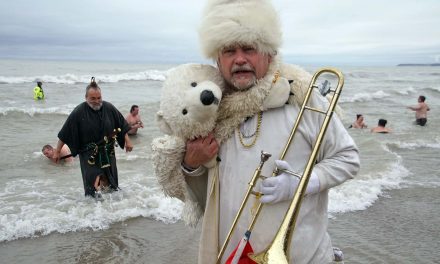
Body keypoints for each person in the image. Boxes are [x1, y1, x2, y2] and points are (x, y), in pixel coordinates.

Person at [156, 0, 360, 263]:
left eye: (249, 49)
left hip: (303, 255)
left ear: (269, 54)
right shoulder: (210, 113)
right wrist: (191, 164)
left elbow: (348, 158)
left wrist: (301, 183)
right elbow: (204, 196)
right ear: (218, 60)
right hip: (230, 254)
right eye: (229, 50)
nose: (239, 59)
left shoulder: (303, 99)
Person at [52, 77, 133, 197]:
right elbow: (65, 132)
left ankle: (114, 208)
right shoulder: (78, 112)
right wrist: (57, 151)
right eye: (93, 98)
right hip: (89, 155)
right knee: (92, 187)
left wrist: (128, 141)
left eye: (99, 97)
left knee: (111, 184)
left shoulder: (109, 108)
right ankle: (92, 209)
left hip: (108, 152)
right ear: (86, 98)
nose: (97, 101)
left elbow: (121, 124)